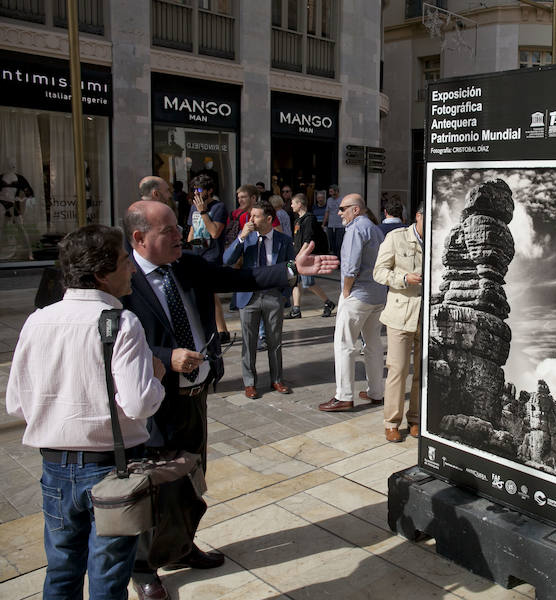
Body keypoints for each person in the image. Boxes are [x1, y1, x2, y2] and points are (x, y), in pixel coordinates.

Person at [122, 200, 337, 599]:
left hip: (195, 393)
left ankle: (182, 546)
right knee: (153, 486)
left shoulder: (185, 264)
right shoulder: (122, 279)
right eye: (168, 230)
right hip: (151, 401)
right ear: (139, 238)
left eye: (176, 227)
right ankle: (143, 566)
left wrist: (292, 270)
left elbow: (239, 277)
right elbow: (112, 341)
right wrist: (165, 357)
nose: (180, 236)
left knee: (191, 477)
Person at [6, 225, 165, 600]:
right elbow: (140, 403)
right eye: (126, 262)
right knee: (108, 578)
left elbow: (16, 403)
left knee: (61, 571)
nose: (133, 270)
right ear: (101, 275)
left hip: (55, 469)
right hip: (112, 469)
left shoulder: (38, 320)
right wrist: (156, 376)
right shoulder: (122, 322)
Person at [318, 194, 388, 412]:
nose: (339, 213)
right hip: (378, 295)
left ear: (355, 210)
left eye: (342, 209)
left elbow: (350, 266)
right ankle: (376, 392)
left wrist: (346, 291)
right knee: (373, 345)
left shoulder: (356, 229)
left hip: (358, 295)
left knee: (344, 345)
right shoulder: (375, 229)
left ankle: (344, 396)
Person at [223, 199, 294, 399]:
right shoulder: (247, 238)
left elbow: (292, 268)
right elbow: (227, 260)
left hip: (273, 295)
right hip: (249, 296)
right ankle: (249, 382)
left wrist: (283, 295)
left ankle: (277, 379)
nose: (250, 219)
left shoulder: (284, 240)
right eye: (250, 215)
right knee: (248, 341)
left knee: (275, 341)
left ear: (269, 219)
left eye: (255, 216)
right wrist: (241, 238)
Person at [373, 203, 424, 442]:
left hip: (426, 316)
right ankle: (392, 422)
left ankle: (415, 419)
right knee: (398, 369)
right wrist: (403, 278)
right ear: (417, 216)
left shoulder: (438, 239)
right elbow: (379, 272)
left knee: (422, 372)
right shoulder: (396, 237)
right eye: (427, 218)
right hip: (400, 316)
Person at [186, 174, 230, 343]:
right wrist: (187, 248)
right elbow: (191, 230)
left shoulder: (218, 207)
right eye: (194, 190)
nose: (196, 193)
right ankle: (219, 329)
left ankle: (220, 330)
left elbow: (214, 232)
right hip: (196, 252)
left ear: (210, 190)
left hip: (211, 255)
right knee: (206, 293)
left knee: (209, 293)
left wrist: (203, 211)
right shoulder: (192, 207)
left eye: (200, 189)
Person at [287, 192, 336, 319]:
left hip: (304, 256)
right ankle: (296, 309)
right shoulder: (297, 220)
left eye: (293, 203)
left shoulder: (309, 218)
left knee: (308, 283)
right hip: (296, 255)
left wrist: (300, 255)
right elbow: (298, 238)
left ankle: (328, 302)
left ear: (299, 204)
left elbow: (308, 240)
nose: (291, 206)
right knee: (295, 282)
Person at [323, 184, 346, 252]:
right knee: (331, 243)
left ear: (336, 191)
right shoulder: (329, 200)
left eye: (331, 192)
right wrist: (324, 223)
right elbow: (327, 212)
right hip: (331, 224)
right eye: (330, 192)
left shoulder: (342, 200)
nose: (330, 194)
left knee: (338, 243)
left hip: (340, 225)